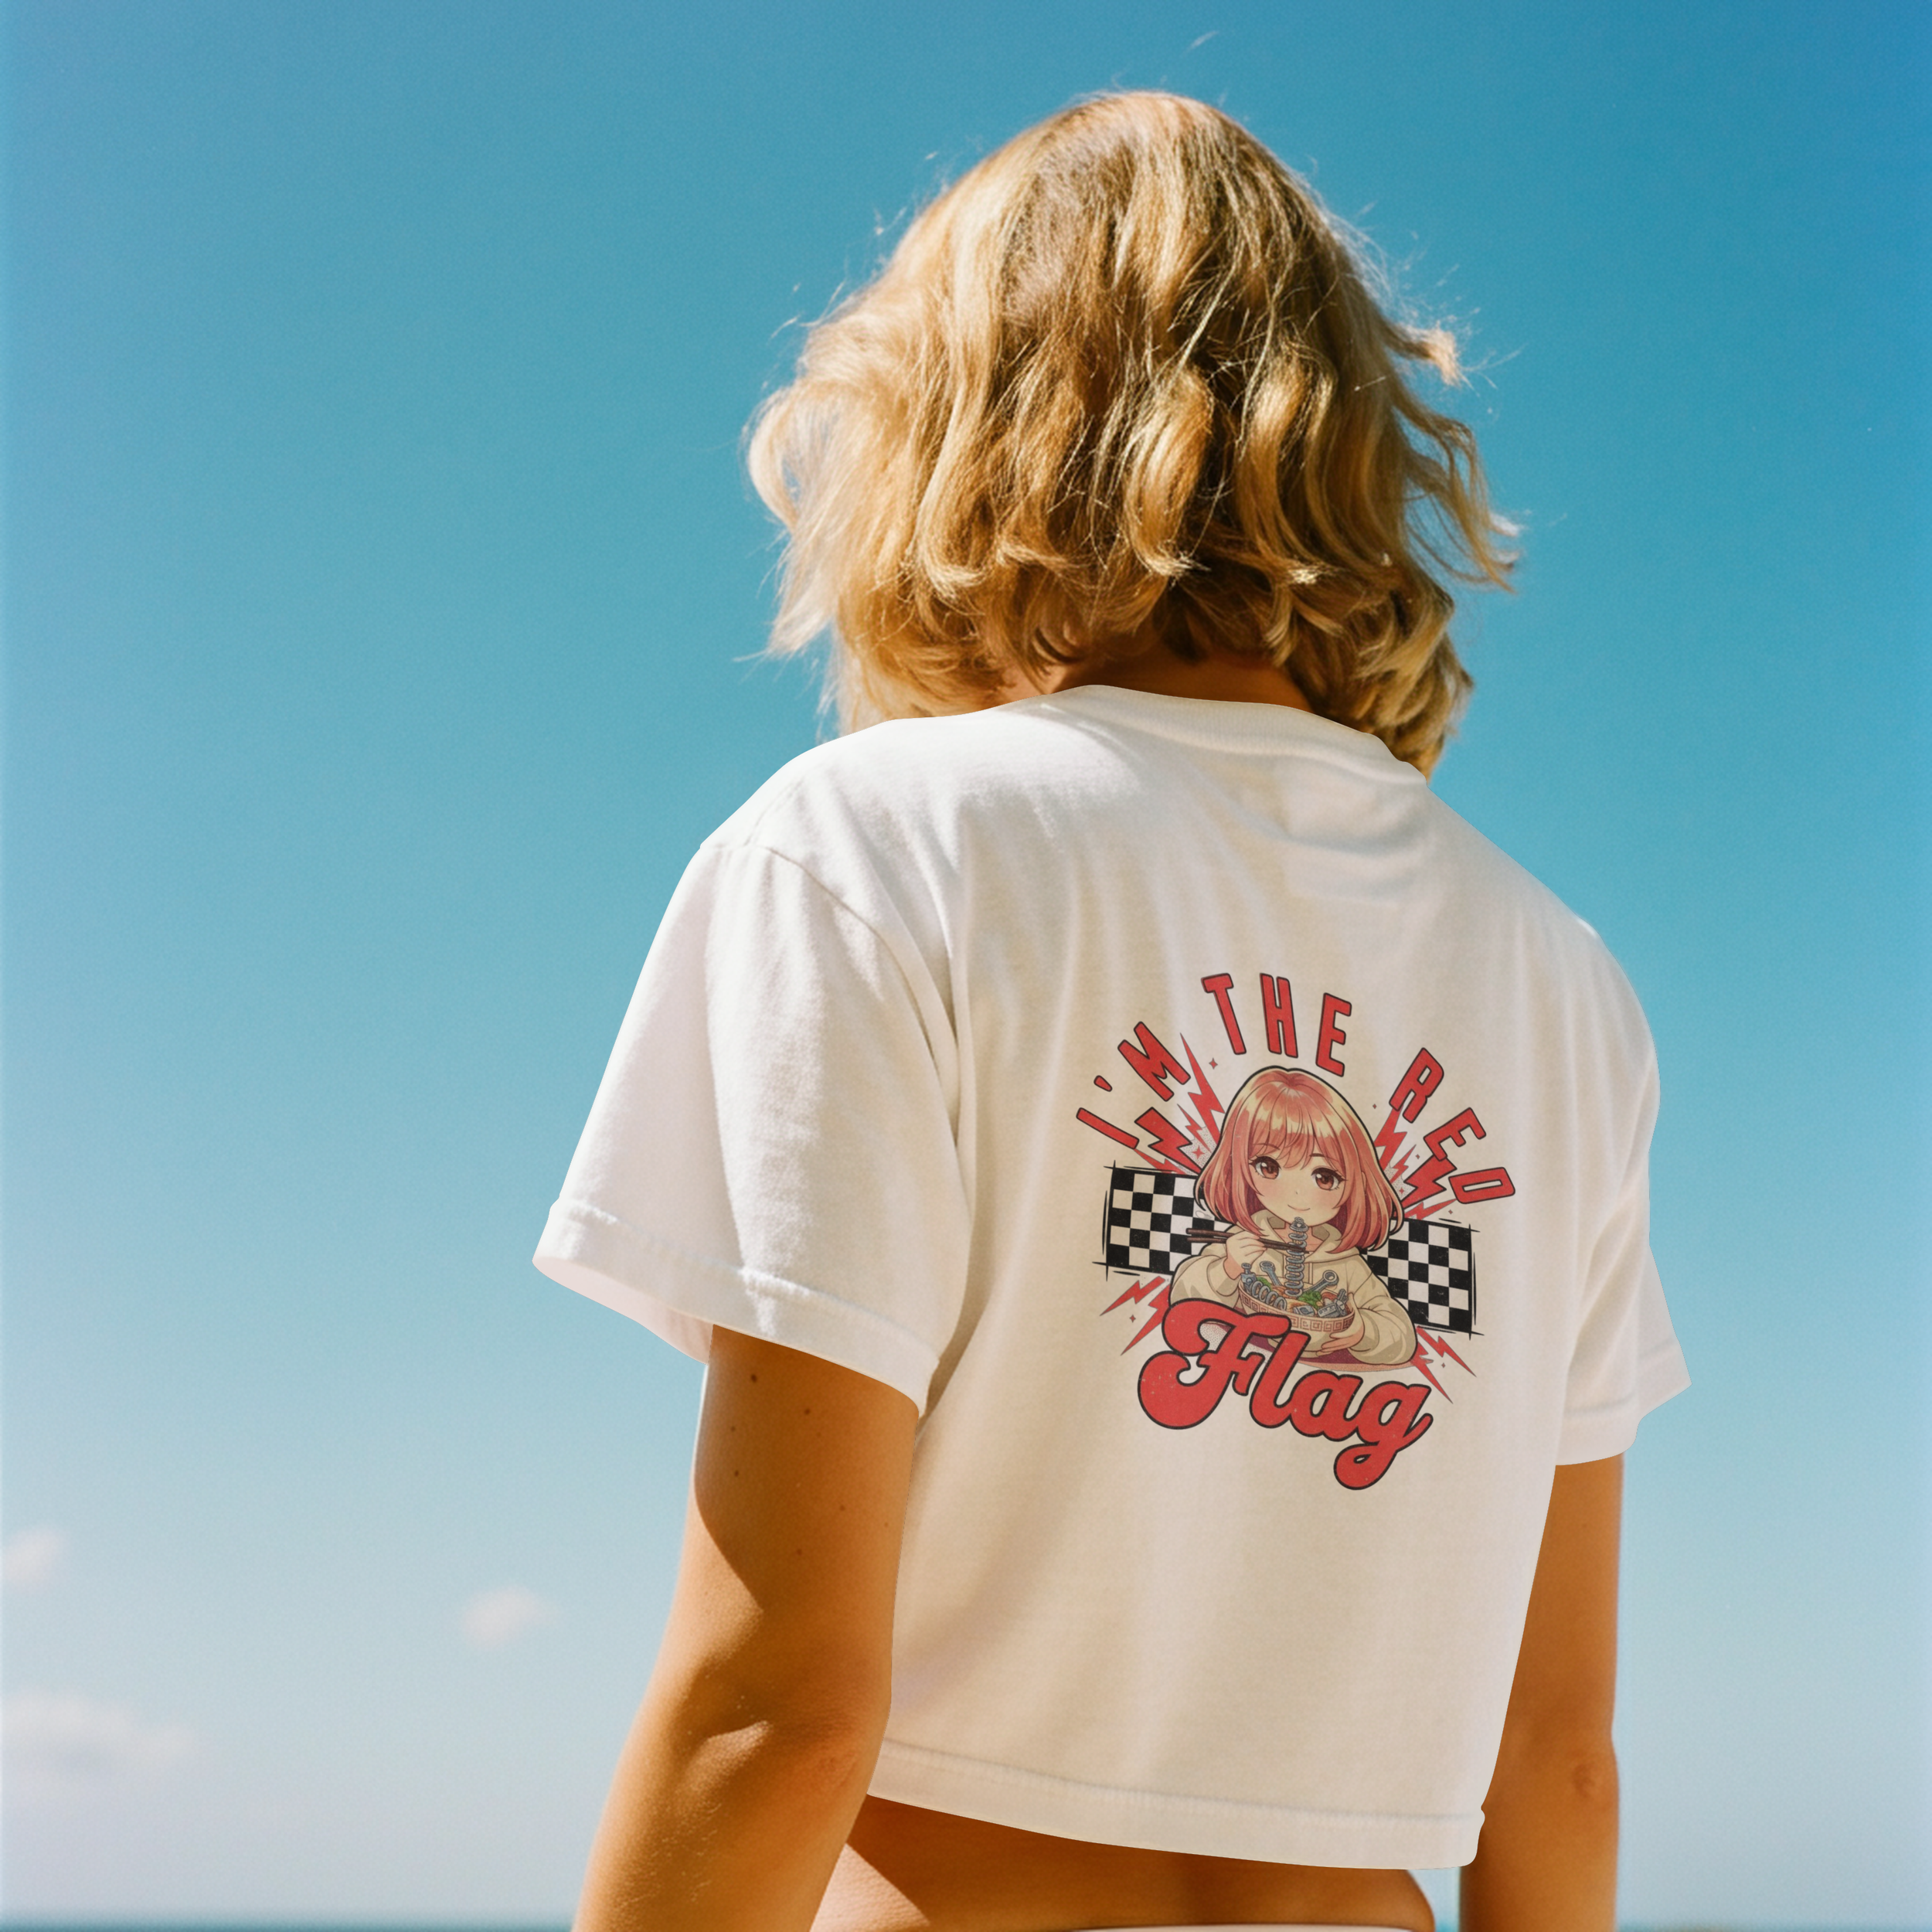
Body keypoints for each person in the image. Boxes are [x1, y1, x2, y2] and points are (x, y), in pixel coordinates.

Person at [533, 90, 1687, 1932]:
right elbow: (1556, 1762)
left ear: (947, 432)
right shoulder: (1562, 984)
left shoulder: (870, 856)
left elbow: (778, 1711)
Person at [1172, 1065, 1417, 1365]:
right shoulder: (1244, 1241)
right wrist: (1228, 1268)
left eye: (1324, 1177)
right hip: (1249, 1363)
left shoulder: (1346, 1262)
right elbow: (1184, 1299)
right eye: (1269, 1167)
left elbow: (1402, 1336)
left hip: (1325, 1381)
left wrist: (1365, 1331)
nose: (1298, 1196)